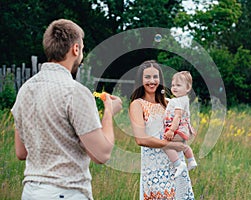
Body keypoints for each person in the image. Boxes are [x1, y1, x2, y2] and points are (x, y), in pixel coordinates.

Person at [11, 19, 122, 200]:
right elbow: (101, 154)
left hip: (31, 192)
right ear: (75, 49)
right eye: (82, 49)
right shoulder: (75, 92)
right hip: (66, 192)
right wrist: (109, 112)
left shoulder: (25, 90)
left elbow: (21, 152)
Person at [129, 60, 194, 200]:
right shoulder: (137, 104)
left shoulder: (169, 103)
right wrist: (171, 145)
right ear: (140, 79)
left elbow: (182, 125)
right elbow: (140, 139)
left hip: (176, 165)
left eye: (155, 77)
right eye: (147, 77)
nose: (152, 81)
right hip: (154, 169)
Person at [163, 71, 197, 178]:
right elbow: (173, 103)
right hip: (184, 130)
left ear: (187, 88)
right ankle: (191, 160)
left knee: (165, 144)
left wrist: (171, 130)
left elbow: (177, 116)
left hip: (177, 130)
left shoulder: (178, 101)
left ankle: (178, 164)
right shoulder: (183, 100)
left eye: (178, 85)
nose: (174, 88)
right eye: (173, 85)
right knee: (183, 145)